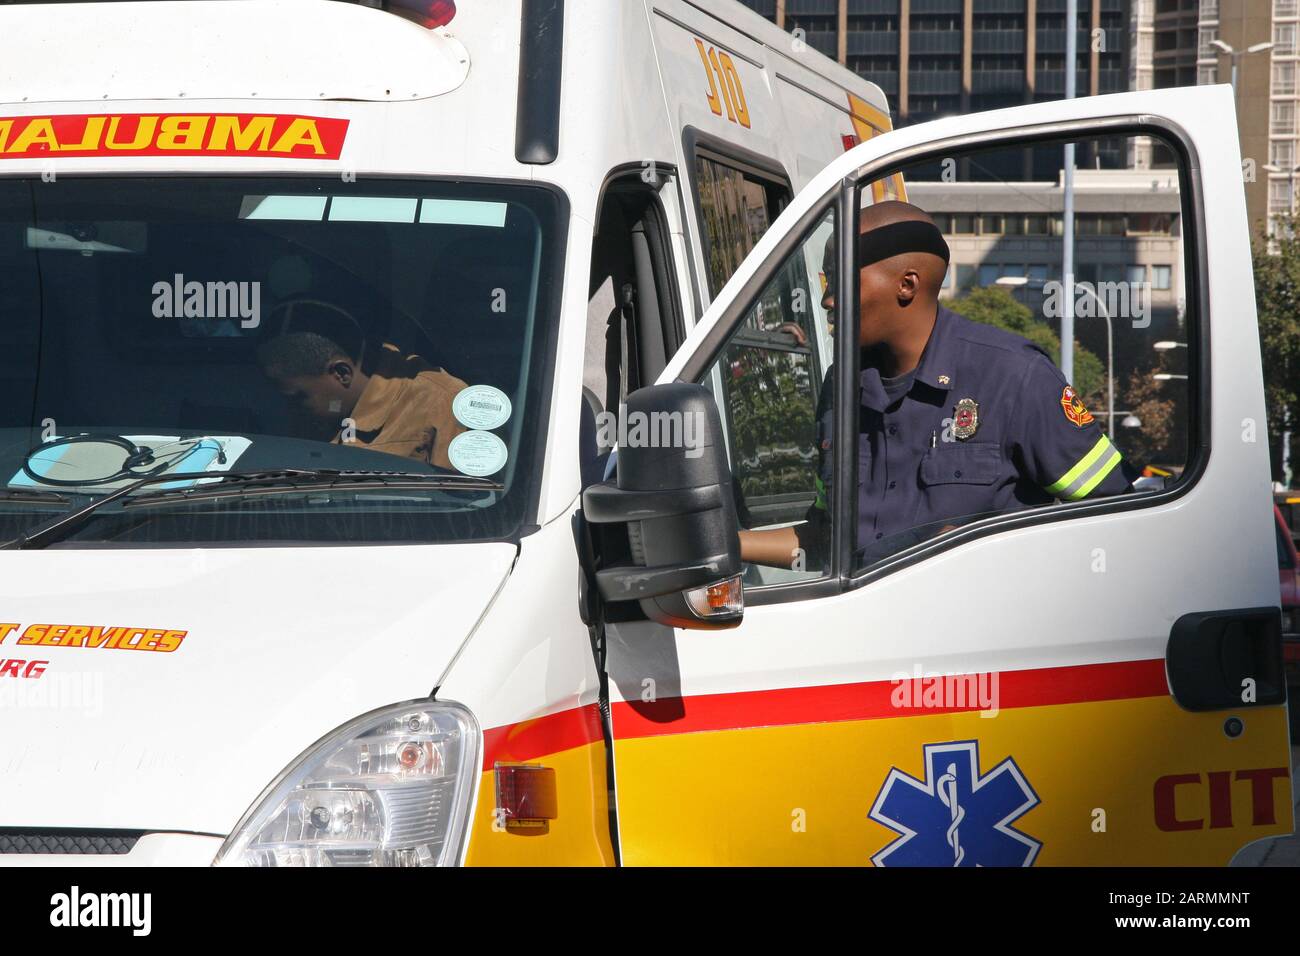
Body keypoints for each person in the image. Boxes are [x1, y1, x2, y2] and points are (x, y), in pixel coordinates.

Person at [740, 200, 1136, 568]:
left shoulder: (1016, 376)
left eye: (842, 282)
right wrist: (722, 546)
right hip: (860, 636)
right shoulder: (840, 388)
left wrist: (983, 555)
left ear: (907, 285)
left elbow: (1118, 521)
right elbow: (826, 541)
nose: (828, 300)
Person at [256, 299, 466, 469]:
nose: (291, 410)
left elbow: (459, 508)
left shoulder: (444, 402)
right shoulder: (314, 408)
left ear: (341, 373)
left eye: (298, 398)